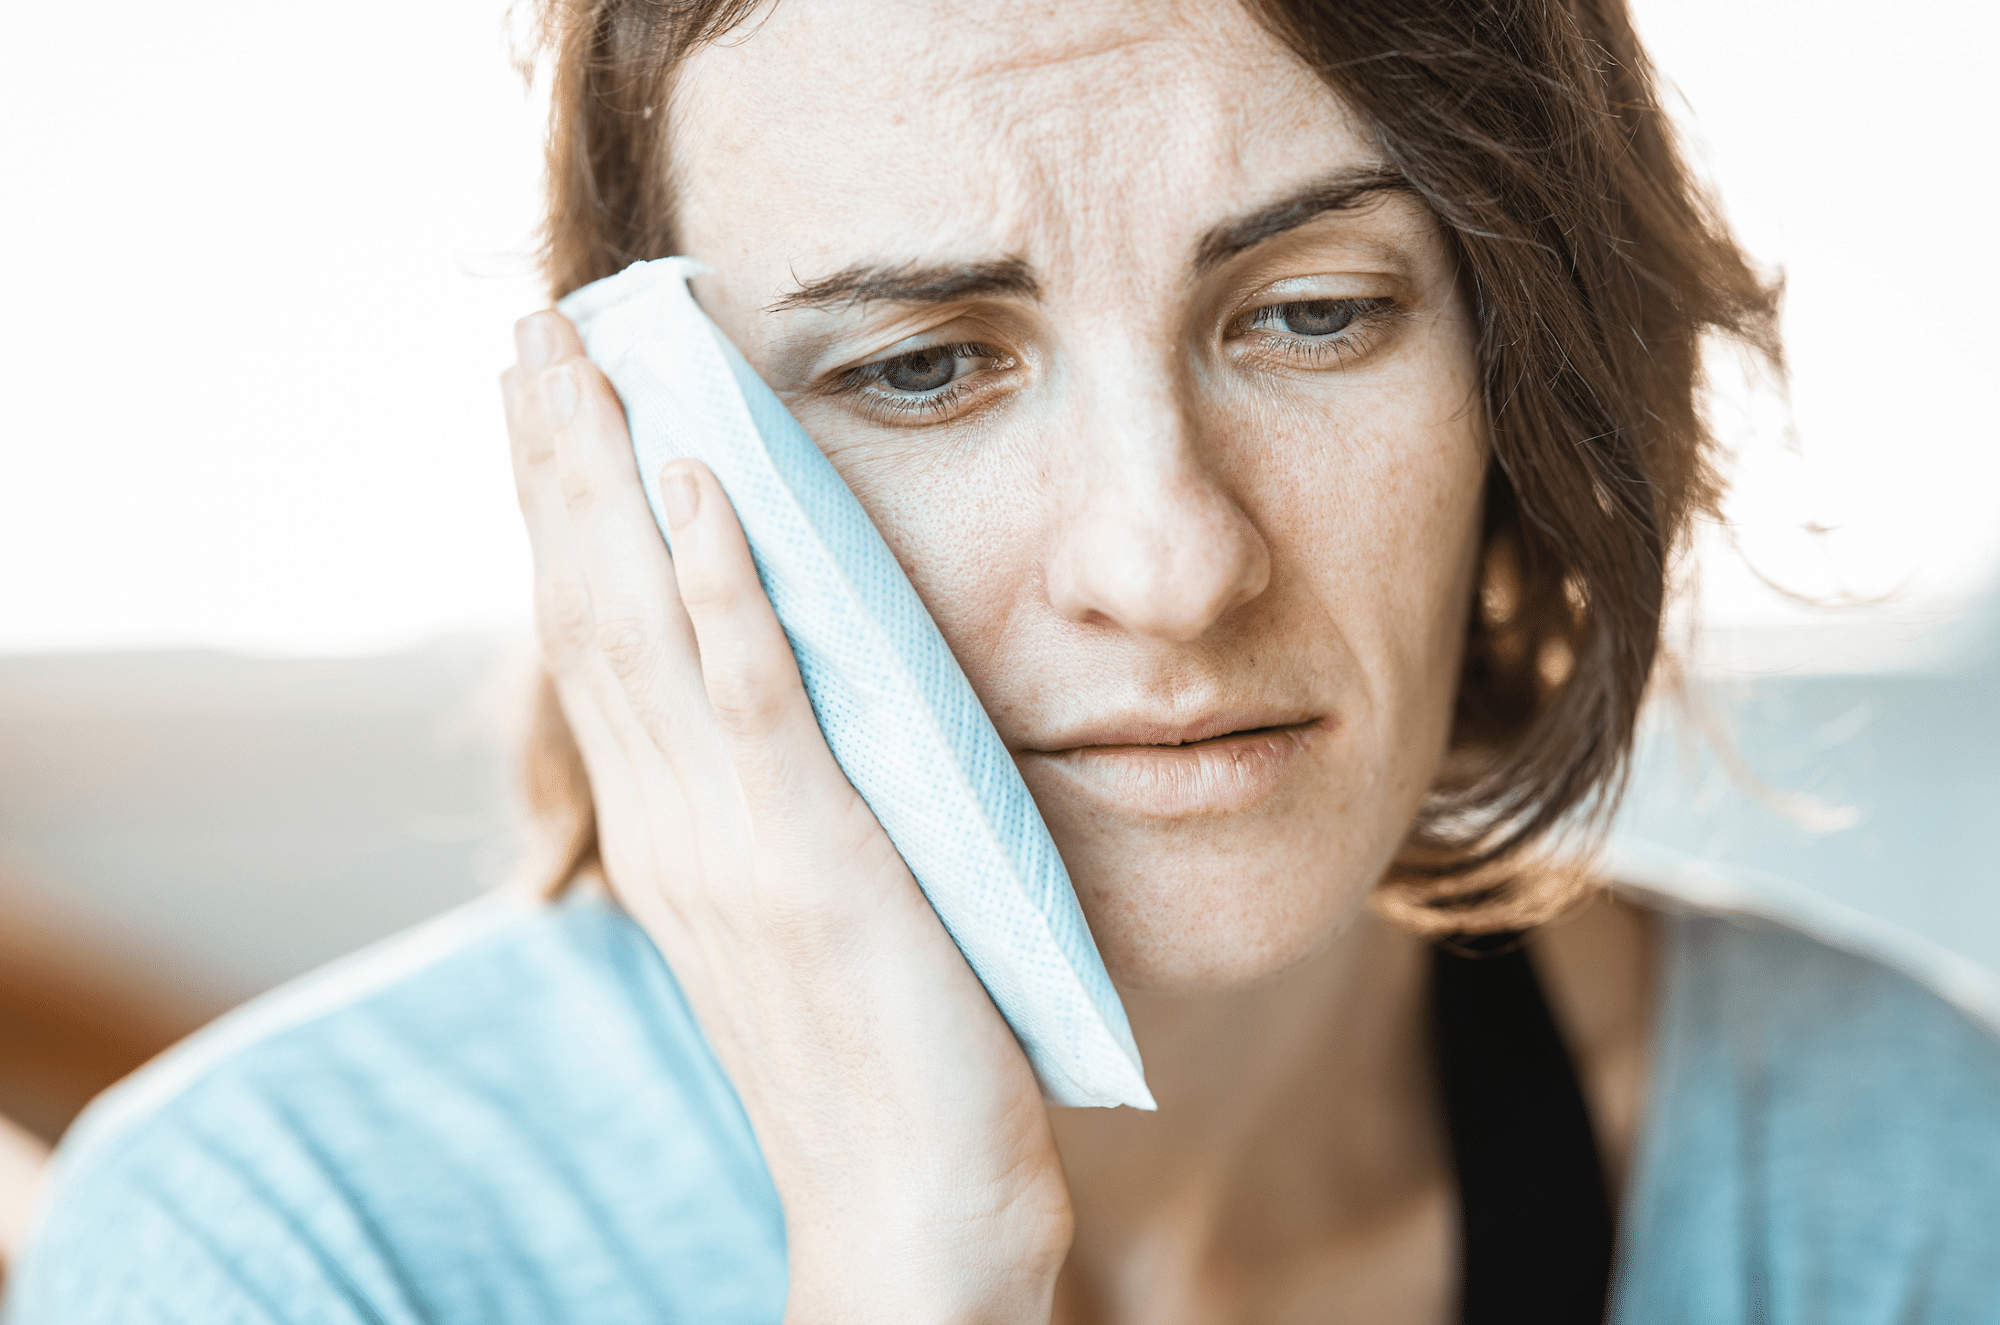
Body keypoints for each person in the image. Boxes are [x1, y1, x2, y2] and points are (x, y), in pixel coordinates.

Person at [7, 1, 1999, 1321]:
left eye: (1311, 314)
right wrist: (914, 1267)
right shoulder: (270, 1249)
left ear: (1518, 372)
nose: (1171, 559)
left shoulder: (1894, 1167)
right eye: (925, 366)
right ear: (646, 455)